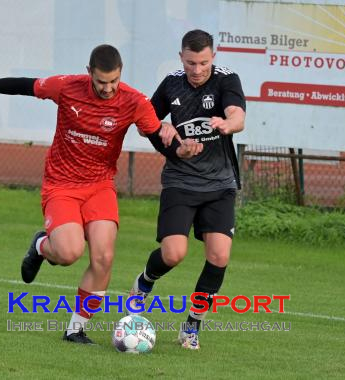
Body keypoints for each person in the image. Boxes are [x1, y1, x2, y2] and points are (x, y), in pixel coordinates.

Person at [0, 44, 202, 345]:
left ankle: (75, 329)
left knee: (104, 257)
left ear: (121, 74)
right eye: (101, 82)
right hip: (62, 185)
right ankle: (41, 245)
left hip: (100, 186)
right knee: (69, 253)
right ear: (89, 73)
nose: (108, 89)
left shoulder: (133, 101)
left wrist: (180, 151)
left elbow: (158, 138)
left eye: (114, 81)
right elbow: (24, 87)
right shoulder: (68, 87)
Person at [127, 30, 246, 350]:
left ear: (213, 57)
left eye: (204, 62)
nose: (197, 69)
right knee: (173, 254)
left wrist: (226, 124)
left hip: (219, 184)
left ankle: (191, 327)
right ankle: (144, 283)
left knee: (219, 255)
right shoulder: (171, 84)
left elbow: (238, 115)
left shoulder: (226, 80)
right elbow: (144, 121)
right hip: (180, 182)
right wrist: (161, 127)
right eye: (191, 62)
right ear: (181, 57)